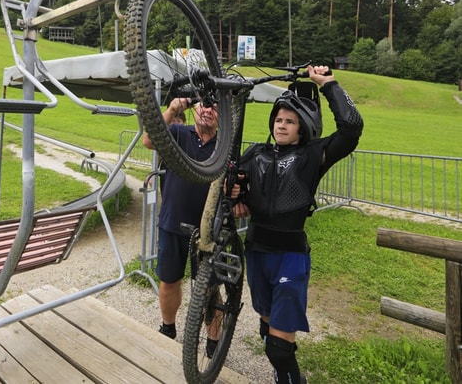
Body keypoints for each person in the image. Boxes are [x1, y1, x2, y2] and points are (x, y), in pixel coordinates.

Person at [230, 65, 363, 384]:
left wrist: (328, 84)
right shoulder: (256, 154)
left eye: (290, 121)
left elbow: (351, 128)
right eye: (279, 119)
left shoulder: (312, 155)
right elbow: (235, 184)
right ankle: (282, 375)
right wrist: (235, 197)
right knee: (267, 331)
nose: (282, 125)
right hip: (257, 252)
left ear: (302, 127)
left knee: (278, 348)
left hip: (290, 256)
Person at [143, 97, 219, 346]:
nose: (208, 110)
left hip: (208, 228)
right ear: (195, 108)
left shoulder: (224, 145)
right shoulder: (178, 132)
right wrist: (172, 109)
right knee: (169, 280)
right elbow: (148, 140)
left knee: (210, 287)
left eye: (215, 108)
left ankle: (213, 340)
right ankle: (168, 327)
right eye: (204, 105)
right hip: (173, 221)